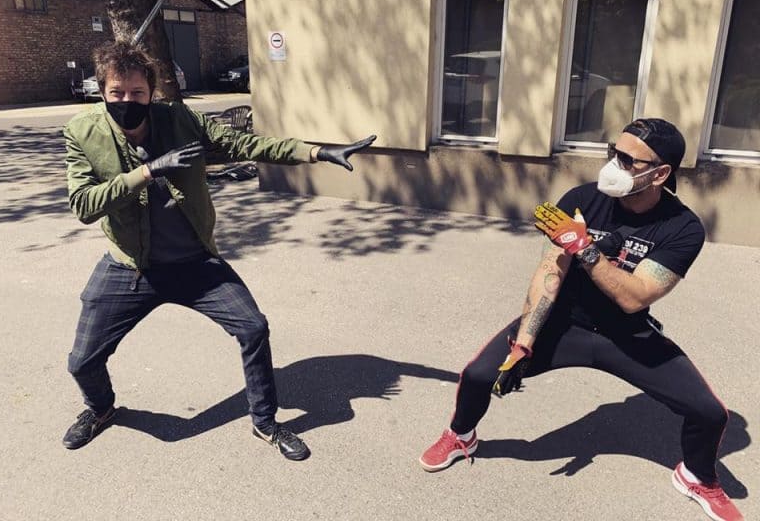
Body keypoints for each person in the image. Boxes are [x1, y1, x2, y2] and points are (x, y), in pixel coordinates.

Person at [62, 40, 375, 460]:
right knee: (82, 362)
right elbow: (84, 205)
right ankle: (100, 408)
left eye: (137, 93)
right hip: (131, 268)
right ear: (102, 91)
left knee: (253, 328)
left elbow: (245, 144)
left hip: (195, 264)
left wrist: (315, 151)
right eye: (116, 93)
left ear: (151, 93)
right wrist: (148, 171)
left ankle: (265, 422)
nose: (127, 102)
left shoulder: (179, 119)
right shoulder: (82, 132)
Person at [419, 118, 743, 521]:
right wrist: (524, 342)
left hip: (625, 333)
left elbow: (634, 298)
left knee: (709, 413)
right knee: (478, 374)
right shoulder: (582, 199)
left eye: (628, 160)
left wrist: (586, 249)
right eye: (613, 152)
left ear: (660, 174)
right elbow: (549, 273)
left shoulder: (683, 228)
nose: (613, 165)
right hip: (563, 323)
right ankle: (461, 435)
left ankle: (696, 476)